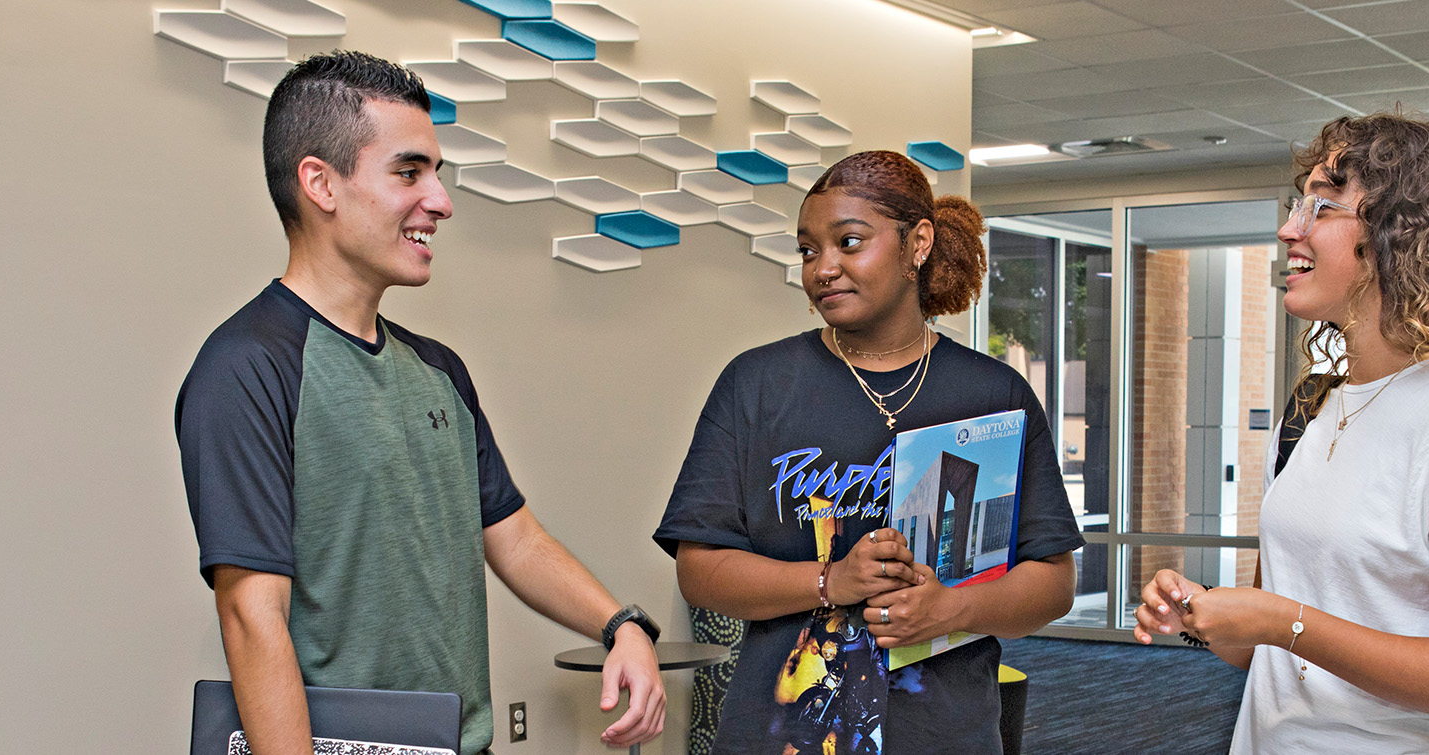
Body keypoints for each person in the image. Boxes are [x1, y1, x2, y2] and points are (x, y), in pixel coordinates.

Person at [175, 51, 664, 755]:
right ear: (321, 184)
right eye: (409, 172)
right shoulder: (248, 366)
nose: (440, 200)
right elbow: (253, 615)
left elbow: (516, 538)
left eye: (437, 173)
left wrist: (622, 624)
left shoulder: (440, 371)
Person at [1131, 113, 1429, 754]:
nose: (1289, 229)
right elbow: (1267, 654)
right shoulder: (1315, 405)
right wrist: (1207, 615)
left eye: (1322, 206)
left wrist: (1286, 622)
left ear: (1402, 236)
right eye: (1296, 204)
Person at [653, 150, 1086, 755]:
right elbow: (699, 570)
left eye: (849, 243)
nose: (822, 268)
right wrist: (832, 580)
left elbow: (1053, 582)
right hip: (781, 735)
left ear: (919, 244)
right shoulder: (756, 385)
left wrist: (950, 609)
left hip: (944, 737)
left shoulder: (993, 394)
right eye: (808, 251)